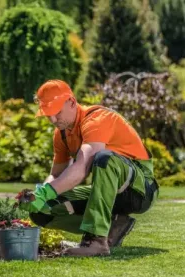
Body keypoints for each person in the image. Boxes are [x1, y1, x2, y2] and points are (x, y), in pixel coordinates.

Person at [17, 79, 159, 257]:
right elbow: (56, 175)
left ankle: (97, 240)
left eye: (57, 112)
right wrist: (37, 196)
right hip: (109, 190)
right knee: (43, 212)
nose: (53, 119)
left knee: (103, 158)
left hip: (140, 190)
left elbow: (82, 168)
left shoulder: (96, 120)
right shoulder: (61, 134)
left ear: (72, 102)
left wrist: (46, 192)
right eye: (48, 115)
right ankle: (115, 224)